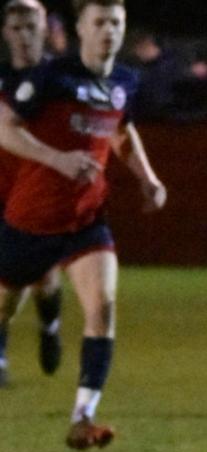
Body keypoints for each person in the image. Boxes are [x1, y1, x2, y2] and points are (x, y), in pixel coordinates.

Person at [0, 0, 167, 446]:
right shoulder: (52, 77)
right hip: (30, 221)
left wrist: (147, 179)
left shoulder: (123, 81)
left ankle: (83, 416)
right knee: (6, 305)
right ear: (81, 28)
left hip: (86, 222)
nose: (108, 31)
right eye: (99, 22)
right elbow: (5, 127)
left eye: (116, 22)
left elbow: (120, 130)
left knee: (104, 308)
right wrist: (58, 159)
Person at [0, 0, 62, 388]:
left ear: (44, 29)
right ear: (6, 33)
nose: (23, 35)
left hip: (42, 194)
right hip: (2, 192)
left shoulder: (60, 80)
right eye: (16, 28)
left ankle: (50, 324)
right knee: (6, 282)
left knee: (45, 281)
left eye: (30, 26)